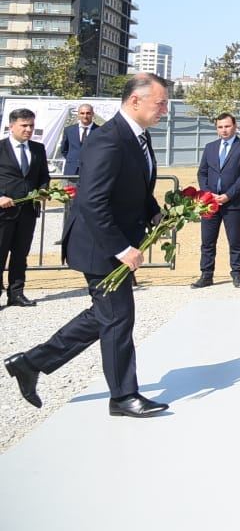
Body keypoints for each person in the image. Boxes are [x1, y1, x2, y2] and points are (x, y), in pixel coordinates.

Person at [4, 73, 170, 418]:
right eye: (161, 103)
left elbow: (137, 190)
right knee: (118, 318)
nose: (165, 110)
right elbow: (93, 201)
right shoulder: (108, 139)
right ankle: (123, 396)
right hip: (100, 246)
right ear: (135, 100)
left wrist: (158, 216)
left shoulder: (138, 137)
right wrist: (122, 249)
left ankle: (30, 362)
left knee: (106, 316)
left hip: (115, 242)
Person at [193, 112, 240, 288]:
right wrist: (207, 194)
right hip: (210, 203)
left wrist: (228, 195)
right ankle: (206, 275)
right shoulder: (210, 147)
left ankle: (236, 274)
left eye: (227, 126)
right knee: (207, 241)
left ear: (234, 126)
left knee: (234, 239)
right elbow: (202, 172)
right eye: (220, 127)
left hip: (233, 203)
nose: (224, 130)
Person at [0, 108, 49, 309]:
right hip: (4, 212)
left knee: (20, 255)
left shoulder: (38, 149)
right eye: (24, 126)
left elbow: (43, 177)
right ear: (11, 126)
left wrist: (43, 191)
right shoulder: (1, 148)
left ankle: (16, 293)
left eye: (31, 125)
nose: (28, 129)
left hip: (28, 211)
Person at [58, 103, 97, 178]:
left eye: (88, 113)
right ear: (78, 115)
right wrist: (73, 160)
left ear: (92, 114)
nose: (85, 116)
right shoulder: (69, 130)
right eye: (82, 113)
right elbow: (64, 150)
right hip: (71, 170)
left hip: (92, 172)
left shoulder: (100, 131)